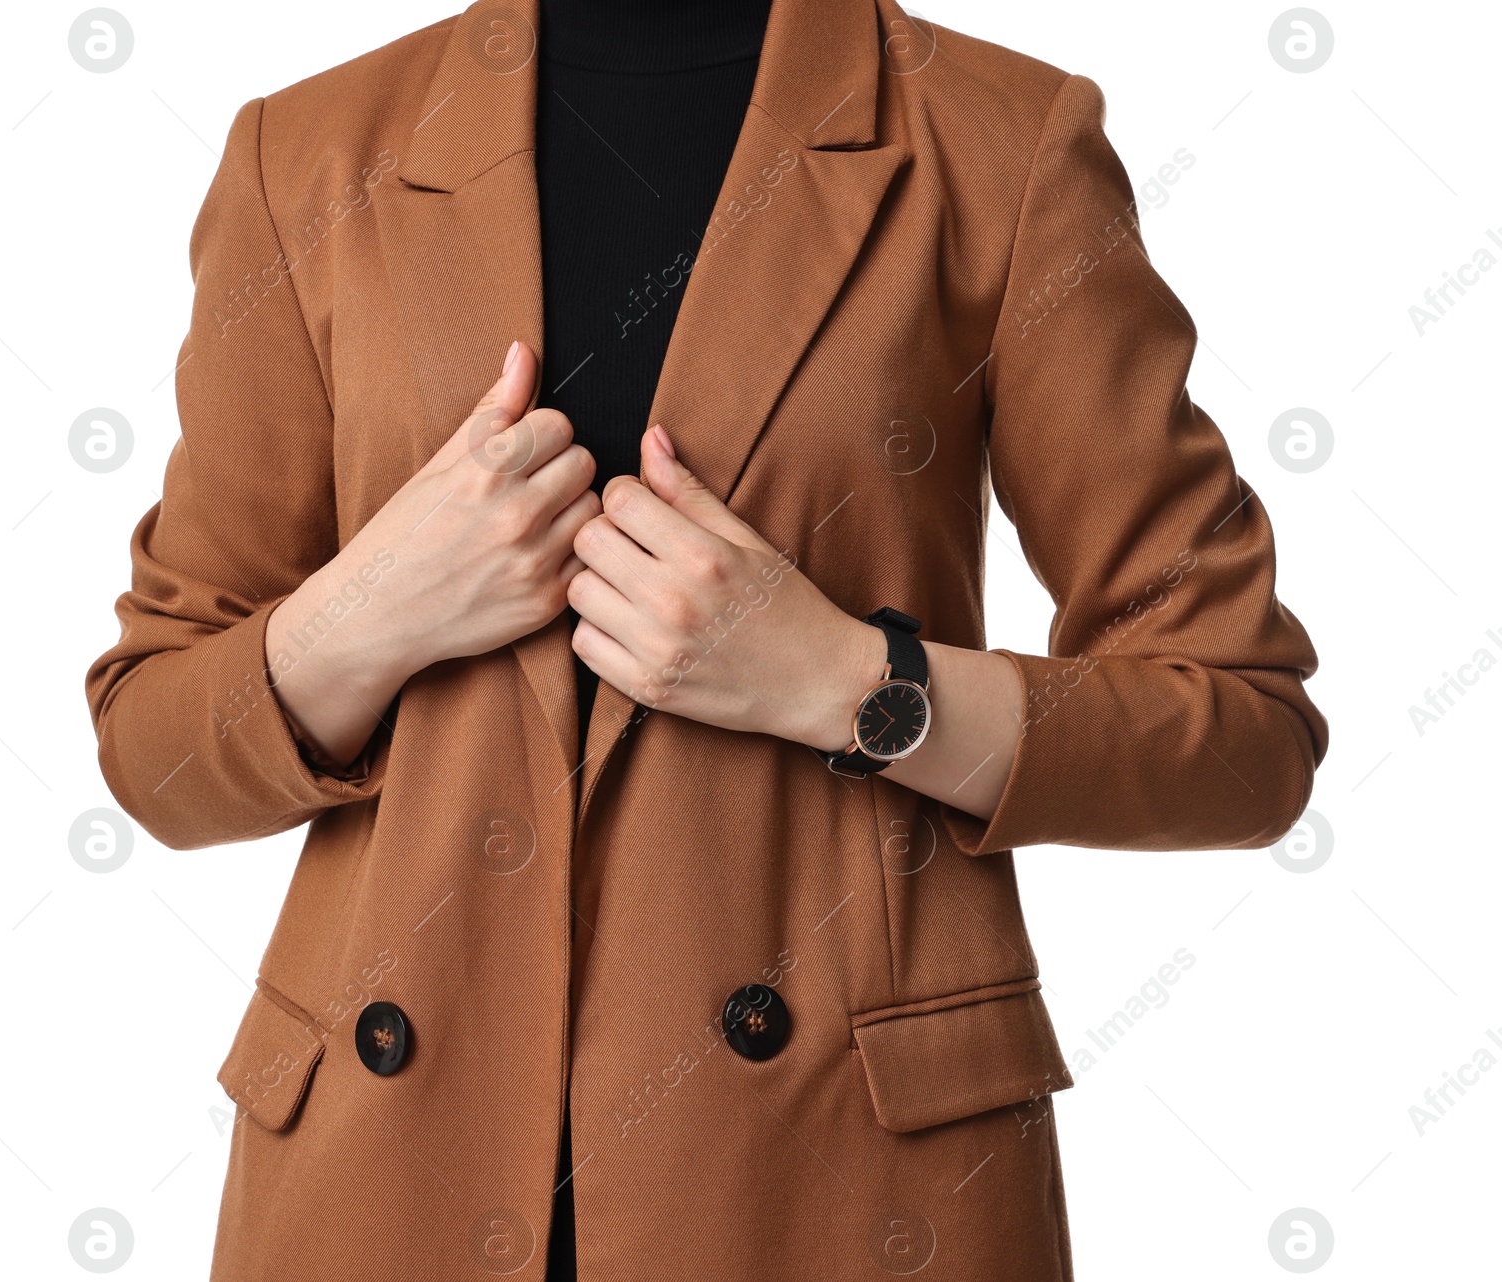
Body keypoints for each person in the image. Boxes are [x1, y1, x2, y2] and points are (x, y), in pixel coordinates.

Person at [84, 0, 1328, 1278]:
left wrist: (852, 684)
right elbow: (154, 749)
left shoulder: (999, 142)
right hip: (385, 1174)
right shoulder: (306, 154)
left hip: (838, 1183)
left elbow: (1241, 732)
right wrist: (374, 607)